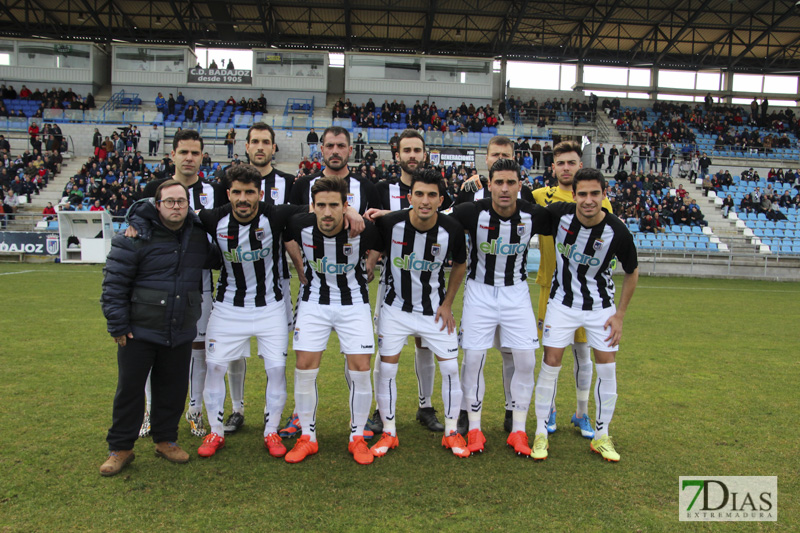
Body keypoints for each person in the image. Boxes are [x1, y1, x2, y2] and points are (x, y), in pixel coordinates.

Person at [99, 179, 216, 476]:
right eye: (169, 202)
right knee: (130, 390)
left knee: (174, 388)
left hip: (180, 328)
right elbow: (114, 284)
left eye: (181, 201)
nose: (176, 207)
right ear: (157, 204)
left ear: (188, 205)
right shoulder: (135, 235)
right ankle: (120, 448)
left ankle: (165, 440)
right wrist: (118, 325)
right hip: (139, 329)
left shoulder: (198, 234)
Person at [530, 168, 639, 462]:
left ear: (604, 194)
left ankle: (602, 436)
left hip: (600, 308)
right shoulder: (558, 214)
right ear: (574, 194)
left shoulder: (617, 231)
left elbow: (632, 272)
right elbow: (523, 215)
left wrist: (620, 315)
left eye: (595, 193)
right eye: (582, 194)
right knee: (550, 363)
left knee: (606, 366)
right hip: (561, 304)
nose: (588, 200)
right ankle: (540, 431)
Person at [365, 169, 470, 459]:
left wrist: (448, 303)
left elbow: (460, 265)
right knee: (386, 367)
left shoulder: (452, 229)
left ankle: (451, 432)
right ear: (409, 197)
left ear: (440, 199)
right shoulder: (390, 223)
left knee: (450, 367)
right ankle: (389, 431)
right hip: (394, 309)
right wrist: (371, 263)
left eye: (432, 195)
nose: (425, 201)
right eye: (419, 194)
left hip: (433, 310)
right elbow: (373, 244)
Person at [281, 176, 380, 465]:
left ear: (345, 205)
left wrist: (371, 262)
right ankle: (307, 437)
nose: (327, 212)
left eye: (334, 205)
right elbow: (286, 234)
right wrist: (300, 267)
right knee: (305, 365)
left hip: (354, 302)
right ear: (311, 206)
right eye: (320, 205)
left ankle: (357, 437)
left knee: (361, 367)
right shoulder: (300, 223)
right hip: (314, 301)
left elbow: (384, 236)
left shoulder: (365, 228)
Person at [451, 158, 540, 456]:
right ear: (489, 185)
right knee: (474, 359)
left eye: (510, 183)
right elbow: (430, 215)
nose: (504, 188)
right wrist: (387, 214)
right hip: (479, 291)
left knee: (526, 361)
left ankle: (518, 431)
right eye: (498, 182)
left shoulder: (532, 215)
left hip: (517, 293)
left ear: (519, 186)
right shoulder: (472, 212)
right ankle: (474, 429)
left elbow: (574, 217)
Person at [140, 130, 226, 439]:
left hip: (198, 282)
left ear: (203, 156)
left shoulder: (216, 191)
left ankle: (195, 411)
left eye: (195, 153)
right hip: (158, 283)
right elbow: (139, 227)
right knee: (151, 346)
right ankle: (149, 412)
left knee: (199, 349)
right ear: (173, 155)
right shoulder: (154, 189)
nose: (189, 157)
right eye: (183, 152)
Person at [370, 130, 453, 435]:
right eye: (407, 150)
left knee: (425, 344)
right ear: (398, 155)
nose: (412, 155)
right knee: (386, 347)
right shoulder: (381, 188)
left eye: (417, 150)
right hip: (392, 284)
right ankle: (381, 411)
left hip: (429, 285)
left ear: (425, 153)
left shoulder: (437, 189)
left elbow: (441, 216)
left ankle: (425, 405)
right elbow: (374, 222)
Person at [531, 140, 613, 440]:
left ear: (580, 166)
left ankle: (581, 413)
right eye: (561, 163)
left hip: (587, 294)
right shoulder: (540, 196)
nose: (566, 167)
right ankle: (549, 409)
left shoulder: (599, 201)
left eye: (571, 162)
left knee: (583, 354)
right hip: (549, 288)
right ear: (553, 167)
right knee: (551, 354)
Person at [221, 122, 296, 435]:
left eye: (266, 142)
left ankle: (271, 411)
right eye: (255, 142)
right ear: (246, 146)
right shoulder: (225, 182)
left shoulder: (291, 183)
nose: (261, 147)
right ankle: (237, 408)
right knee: (234, 350)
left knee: (274, 351)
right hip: (235, 283)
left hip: (277, 282)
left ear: (273, 148)